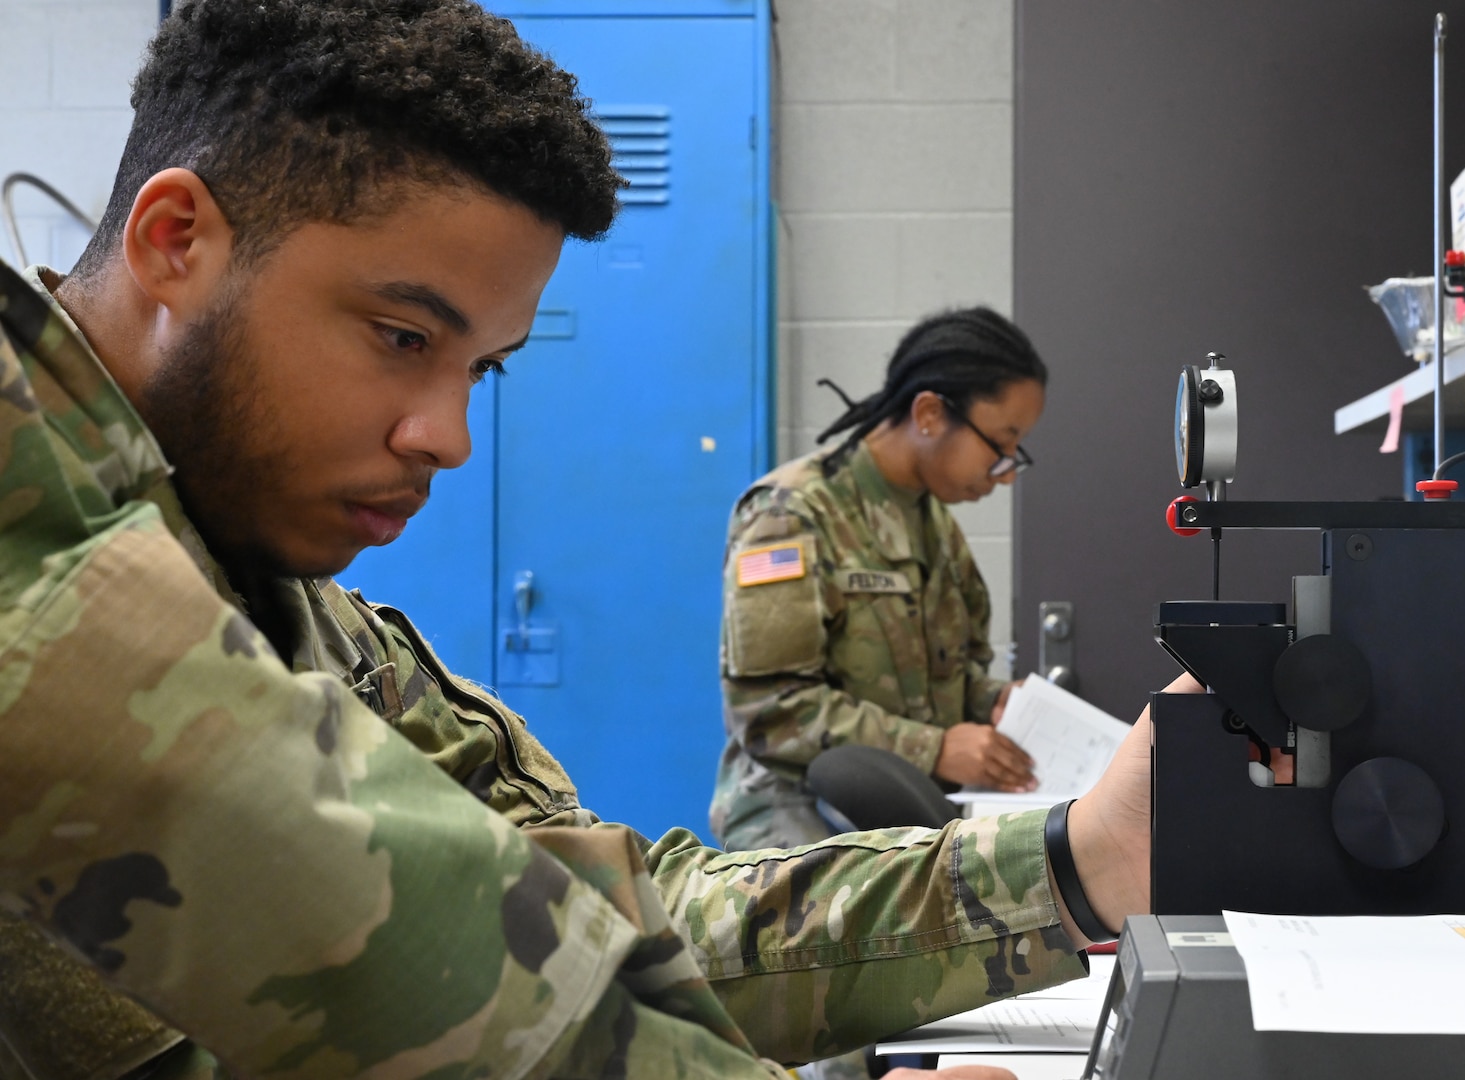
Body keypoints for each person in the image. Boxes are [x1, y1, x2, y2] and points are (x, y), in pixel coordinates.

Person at [0, 3, 1161, 1078]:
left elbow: (580, 925)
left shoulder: (284, 599)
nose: (448, 437)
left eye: (482, 370)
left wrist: (1073, 864)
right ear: (174, 241)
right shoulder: (36, 551)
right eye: (403, 336)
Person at [712, 309, 1046, 854]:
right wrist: (933, 749)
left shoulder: (935, 525)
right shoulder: (791, 515)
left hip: (903, 808)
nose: (1007, 471)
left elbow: (946, 683)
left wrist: (995, 703)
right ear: (931, 413)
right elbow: (771, 713)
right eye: (1002, 444)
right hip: (795, 815)